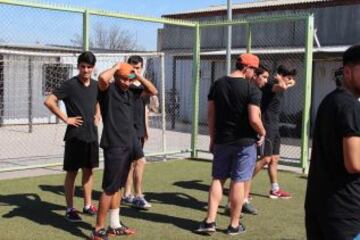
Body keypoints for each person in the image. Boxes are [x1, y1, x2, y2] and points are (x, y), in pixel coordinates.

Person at [196, 53, 266, 236]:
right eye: (255, 70)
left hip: (222, 140)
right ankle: (233, 225)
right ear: (247, 68)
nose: (254, 74)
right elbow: (254, 119)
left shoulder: (218, 84)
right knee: (238, 181)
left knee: (218, 179)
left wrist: (213, 139)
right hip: (245, 142)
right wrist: (263, 131)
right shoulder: (252, 90)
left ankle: (209, 221)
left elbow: (211, 115)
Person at [90, 62, 157, 240]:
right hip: (114, 145)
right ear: (117, 76)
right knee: (109, 189)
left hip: (128, 144)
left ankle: (115, 224)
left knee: (118, 187)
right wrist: (117, 66)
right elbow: (103, 78)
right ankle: (98, 229)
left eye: (129, 79)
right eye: (123, 78)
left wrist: (136, 75)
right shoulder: (107, 90)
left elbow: (153, 90)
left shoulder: (132, 92)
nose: (126, 82)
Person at [305, 44, 360, 240]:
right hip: (344, 212)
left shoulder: (330, 100)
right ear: (347, 72)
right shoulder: (350, 106)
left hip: (321, 205)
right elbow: (354, 164)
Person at [44, 51, 100, 222]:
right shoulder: (69, 85)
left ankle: (88, 204)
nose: (85, 70)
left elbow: (99, 100)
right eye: (83, 66)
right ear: (78, 67)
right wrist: (65, 118)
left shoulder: (97, 85)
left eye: (89, 67)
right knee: (72, 173)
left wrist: (98, 114)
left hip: (91, 135)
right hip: (75, 136)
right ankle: (69, 209)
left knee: (89, 171)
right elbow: (49, 101)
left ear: (93, 68)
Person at [251, 65, 296, 201]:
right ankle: (241, 184)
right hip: (267, 125)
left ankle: (275, 189)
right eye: (288, 77)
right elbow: (282, 86)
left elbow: (290, 83)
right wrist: (282, 81)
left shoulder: (281, 83)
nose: (290, 80)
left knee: (275, 159)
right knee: (265, 159)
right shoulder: (270, 85)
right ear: (280, 75)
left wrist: (287, 81)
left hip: (275, 126)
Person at [122, 55, 158, 210]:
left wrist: (146, 128)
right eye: (132, 68)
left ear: (141, 68)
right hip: (126, 129)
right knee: (139, 161)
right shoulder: (124, 85)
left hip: (139, 129)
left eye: (137, 68)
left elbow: (151, 95)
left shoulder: (142, 87)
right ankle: (138, 195)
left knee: (133, 163)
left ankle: (126, 194)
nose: (134, 71)